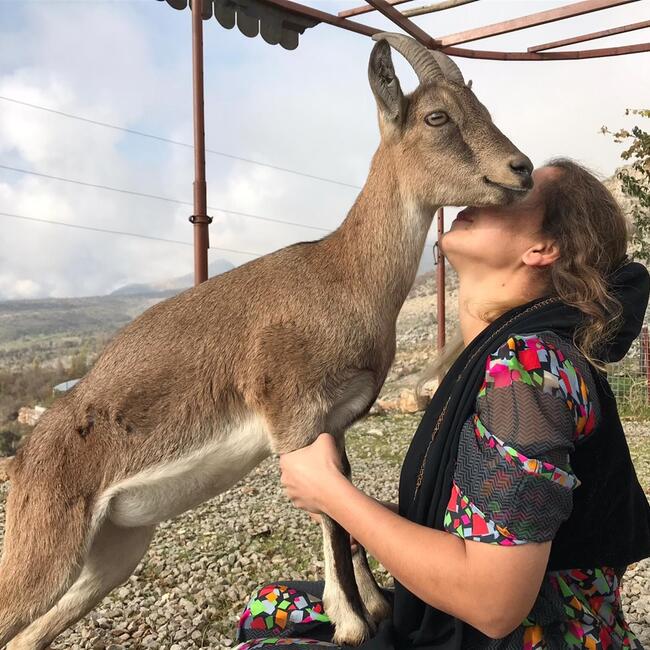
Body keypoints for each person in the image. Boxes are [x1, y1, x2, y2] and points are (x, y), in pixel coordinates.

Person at [233, 158, 650, 649]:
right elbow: (495, 521)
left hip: (534, 637)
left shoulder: (525, 368)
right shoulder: (509, 353)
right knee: (269, 606)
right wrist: (378, 519)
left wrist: (333, 495)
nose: (482, 195)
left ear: (543, 248)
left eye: (514, 193)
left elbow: (494, 604)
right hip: (477, 625)